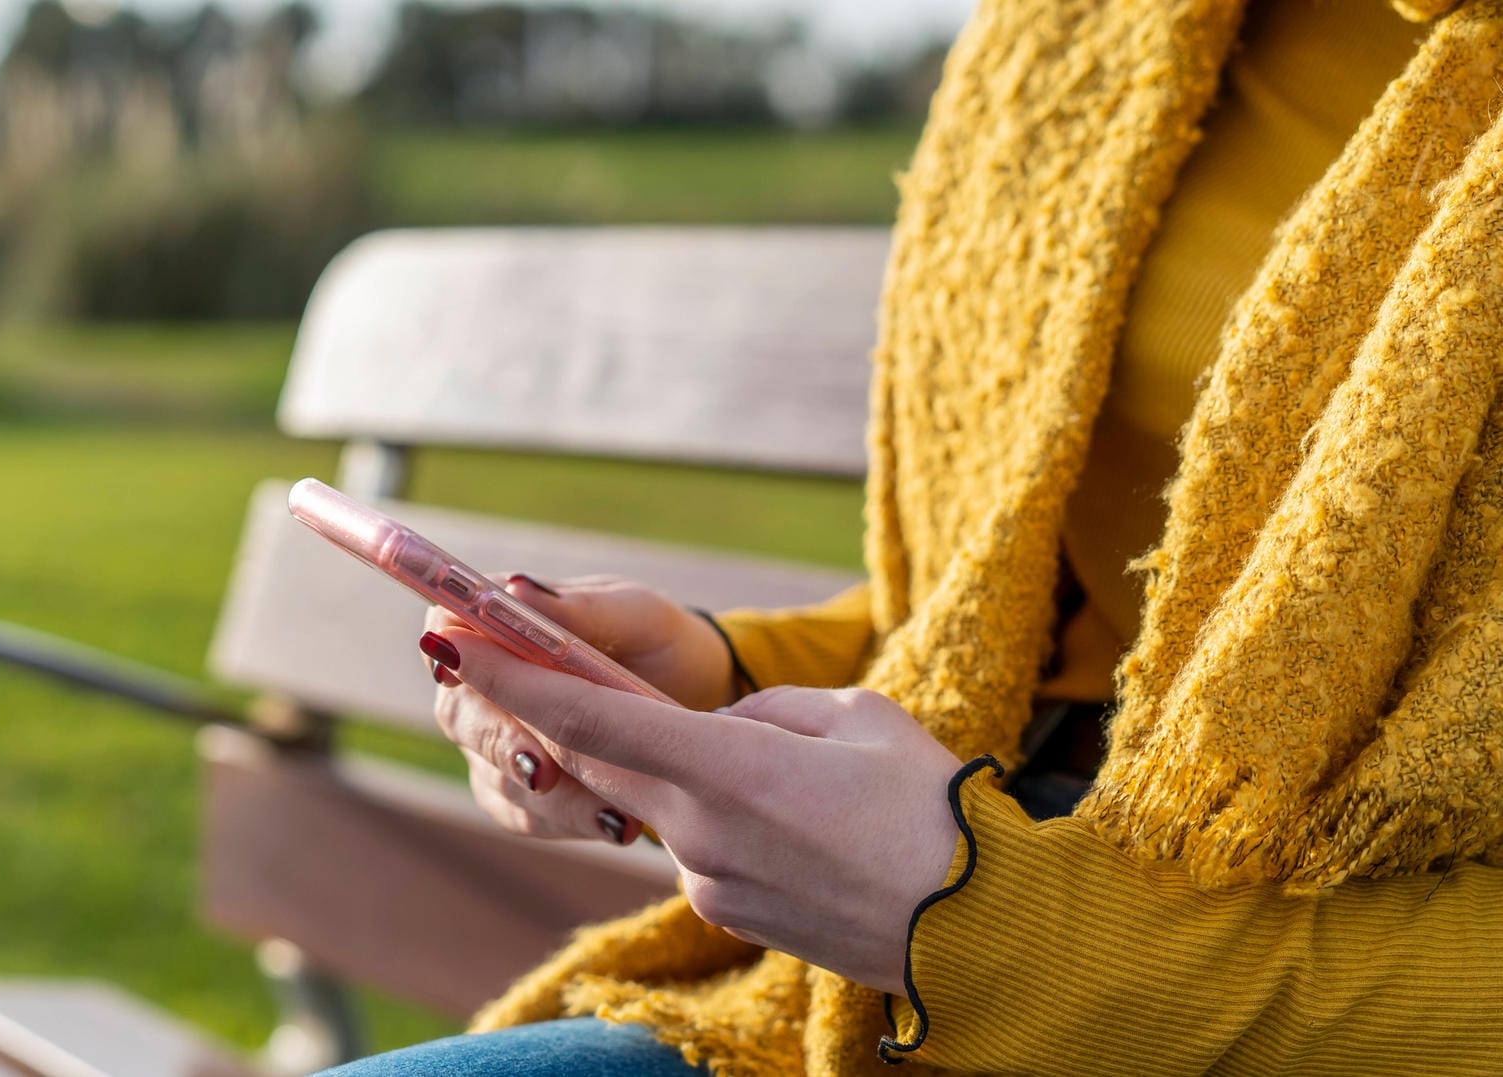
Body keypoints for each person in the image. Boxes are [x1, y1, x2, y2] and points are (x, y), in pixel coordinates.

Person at [320, 0, 1503, 1073]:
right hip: (915, 945)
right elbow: (1045, 612)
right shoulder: (1087, 29)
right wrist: (729, 678)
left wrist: (1001, 929)